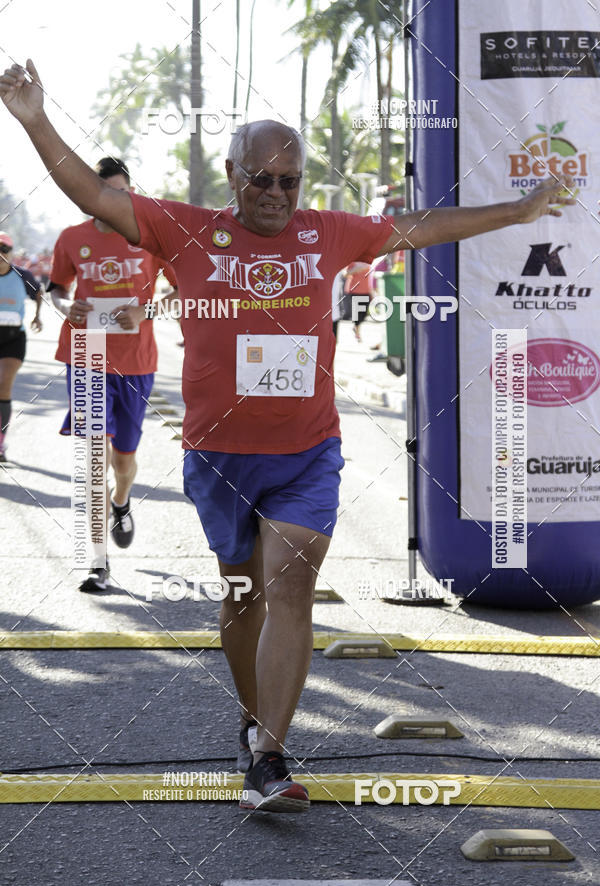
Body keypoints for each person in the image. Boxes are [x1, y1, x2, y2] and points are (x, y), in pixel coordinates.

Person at [0, 59, 574, 813]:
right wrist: (34, 117)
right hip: (219, 456)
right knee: (241, 598)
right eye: (261, 180)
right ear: (234, 173)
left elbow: (424, 226)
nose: (276, 195)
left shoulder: (330, 233)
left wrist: (520, 211)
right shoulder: (188, 229)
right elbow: (93, 194)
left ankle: (269, 754)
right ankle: (253, 718)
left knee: (291, 584)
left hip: (307, 451)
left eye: (290, 181)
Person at [48, 157, 177, 593]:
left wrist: (147, 310)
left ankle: (122, 501)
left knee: (122, 461)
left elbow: (183, 288)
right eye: (104, 195)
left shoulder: (152, 237)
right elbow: (56, 289)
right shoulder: (72, 239)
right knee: (92, 460)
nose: (112, 203)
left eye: (121, 193)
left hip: (136, 360)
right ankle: (96, 561)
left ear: (131, 193)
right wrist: (68, 308)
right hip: (87, 352)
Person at [0, 231, 43, 464]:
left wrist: (37, 317)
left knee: (3, 387)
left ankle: (0, 441)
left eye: (4, 249)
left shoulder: (21, 274)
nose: (0, 254)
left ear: (11, 253)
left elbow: (39, 292)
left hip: (13, 339)